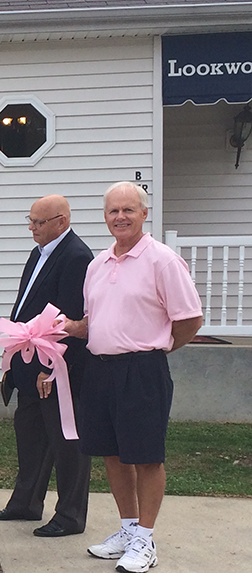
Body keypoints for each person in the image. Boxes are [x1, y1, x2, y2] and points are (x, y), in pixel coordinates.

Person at [64, 182, 202, 573]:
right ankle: (127, 530)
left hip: (142, 371)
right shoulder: (97, 265)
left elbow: (190, 319)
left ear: (144, 213)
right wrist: (72, 327)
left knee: (146, 456)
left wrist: (157, 349)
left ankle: (145, 539)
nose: (120, 217)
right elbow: (95, 320)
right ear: (105, 217)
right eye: (113, 211)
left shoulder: (162, 261)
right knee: (112, 453)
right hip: (100, 369)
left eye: (128, 209)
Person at [0, 195, 92, 537]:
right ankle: (26, 503)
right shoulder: (39, 253)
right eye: (30, 220)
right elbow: (25, 306)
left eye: (39, 222)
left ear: (62, 221)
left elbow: (72, 317)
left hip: (57, 367)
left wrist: (55, 367)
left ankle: (70, 516)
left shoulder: (76, 257)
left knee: (66, 442)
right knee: (30, 434)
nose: (32, 227)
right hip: (28, 360)